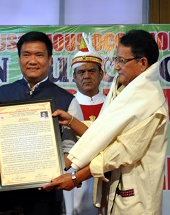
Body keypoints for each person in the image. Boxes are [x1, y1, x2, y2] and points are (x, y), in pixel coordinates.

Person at [41, 29, 168, 215]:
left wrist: (76, 177)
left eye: (122, 61)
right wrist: (71, 121)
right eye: (116, 60)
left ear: (143, 63)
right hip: (110, 189)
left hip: (136, 200)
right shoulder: (124, 89)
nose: (116, 67)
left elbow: (122, 150)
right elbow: (105, 129)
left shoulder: (149, 100)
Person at [0, 31, 83, 215]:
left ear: (49, 60)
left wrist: (53, 168)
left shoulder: (67, 100)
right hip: (2, 197)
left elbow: (71, 146)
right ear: (19, 58)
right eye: (26, 55)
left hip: (45, 195)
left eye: (39, 55)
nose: (32, 61)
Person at [63, 33, 106, 215]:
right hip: (74, 175)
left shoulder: (112, 105)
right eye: (81, 72)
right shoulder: (66, 106)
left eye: (91, 71)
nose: (86, 76)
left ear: (101, 74)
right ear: (73, 76)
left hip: (104, 172)